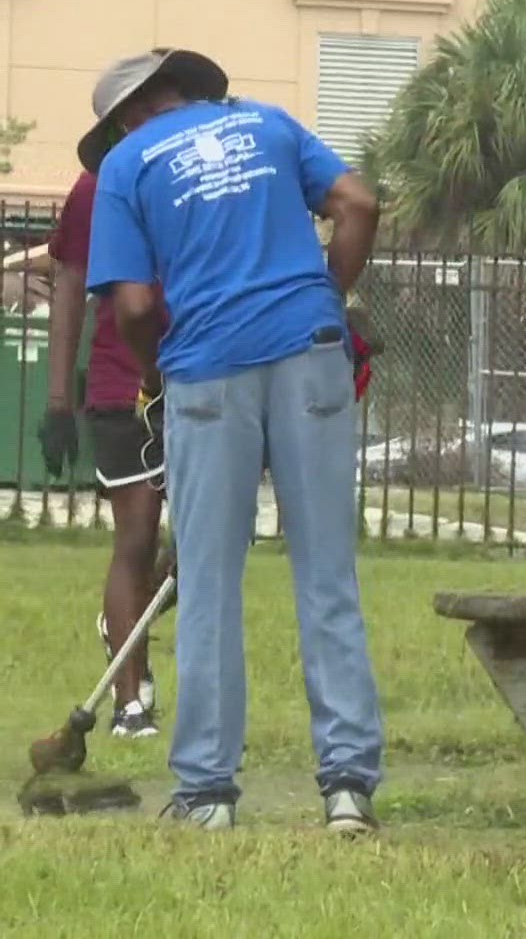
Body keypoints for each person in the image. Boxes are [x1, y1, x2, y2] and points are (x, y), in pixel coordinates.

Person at [81, 47, 384, 834]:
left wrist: (159, 377)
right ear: (189, 91)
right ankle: (348, 787)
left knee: (209, 583)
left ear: (125, 119)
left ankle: (208, 793)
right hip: (310, 353)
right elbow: (358, 203)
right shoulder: (268, 123)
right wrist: (325, 296)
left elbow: (137, 307)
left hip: (208, 371)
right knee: (328, 576)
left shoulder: (125, 168)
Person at [39, 169, 171, 739]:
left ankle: (122, 626)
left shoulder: (200, 168)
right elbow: (70, 283)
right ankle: (129, 702)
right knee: (136, 539)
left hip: (208, 373)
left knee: (212, 540)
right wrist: (58, 398)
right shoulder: (97, 188)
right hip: (125, 384)